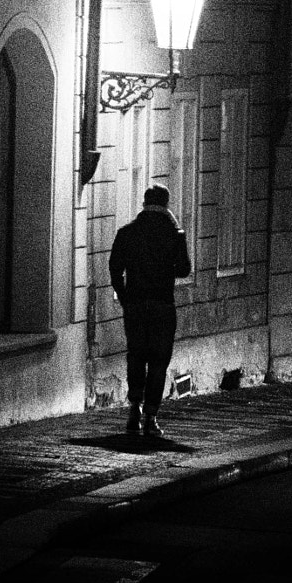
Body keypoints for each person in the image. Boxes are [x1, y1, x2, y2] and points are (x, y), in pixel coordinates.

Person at [109, 183, 191, 438]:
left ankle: (134, 409)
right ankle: (151, 417)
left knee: (136, 355)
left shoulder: (127, 232)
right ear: (166, 204)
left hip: (135, 304)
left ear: (144, 203)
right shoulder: (174, 234)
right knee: (158, 360)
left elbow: (114, 269)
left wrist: (124, 297)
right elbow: (184, 269)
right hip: (162, 304)